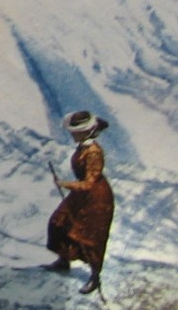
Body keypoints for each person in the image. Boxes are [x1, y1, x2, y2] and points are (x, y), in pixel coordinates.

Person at [45, 109, 114, 295]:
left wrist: (64, 184)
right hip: (82, 194)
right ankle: (64, 260)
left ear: (86, 132)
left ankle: (95, 276)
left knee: (91, 237)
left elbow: (90, 183)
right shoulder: (83, 147)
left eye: (75, 132)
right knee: (58, 222)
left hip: (96, 198)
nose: (72, 135)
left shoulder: (93, 153)